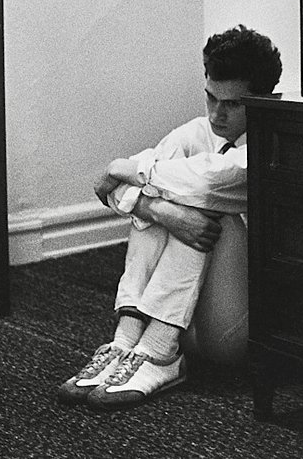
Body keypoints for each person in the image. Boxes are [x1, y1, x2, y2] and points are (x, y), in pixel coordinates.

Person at [56, 25, 282, 412]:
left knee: (199, 202)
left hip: (236, 330)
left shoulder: (269, 145)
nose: (216, 113)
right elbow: (112, 189)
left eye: (233, 104)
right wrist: (156, 207)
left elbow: (207, 183)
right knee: (165, 197)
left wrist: (127, 171)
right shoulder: (195, 132)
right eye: (211, 97)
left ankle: (160, 352)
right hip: (184, 322)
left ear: (265, 101)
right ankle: (127, 342)